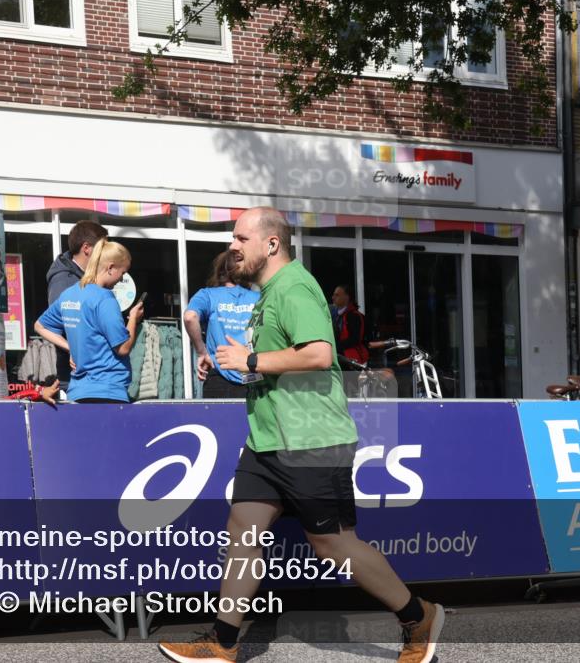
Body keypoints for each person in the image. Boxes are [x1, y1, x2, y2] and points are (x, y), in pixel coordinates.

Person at [158, 208, 444, 663]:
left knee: (333, 545)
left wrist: (250, 362)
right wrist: (242, 361)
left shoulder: (294, 287)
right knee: (243, 531)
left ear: (271, 244)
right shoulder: (269, 292)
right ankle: (223, 642)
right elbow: (279, 357)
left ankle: (417, 616)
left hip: (312, 439)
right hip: (267, 438)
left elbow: (317, 354)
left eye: (240, 238)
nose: (233, 246)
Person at [35, 239, 143, 403]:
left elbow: (40, 326)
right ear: (111, 267)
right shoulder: (104, 298)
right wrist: (133, 318)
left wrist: (72, 347)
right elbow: (123, 347)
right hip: (109, 391)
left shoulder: (69, 294)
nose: (121, 280)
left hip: (78, 391)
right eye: (123, 273)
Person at [184, 250, 260, 398]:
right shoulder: (260, 298)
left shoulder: (208, 295)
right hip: (254, 375)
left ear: (220, 272)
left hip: (219, 377)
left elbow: (190, 317)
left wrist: (202, 352)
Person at [46, 220, 109, 387]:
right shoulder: (64, 280)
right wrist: (72, 348)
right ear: (86, 248)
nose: (106, 254)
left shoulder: (85, 277)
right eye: (103, 248)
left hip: (91, 371)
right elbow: (53, 324)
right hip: (77, 374)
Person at [331, 283, 369, 366]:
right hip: (339, 357)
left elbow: (355, 339)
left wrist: (334, 346)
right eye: (333, 295)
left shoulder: (354, 316)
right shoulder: (335, 315)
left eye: (337, 295)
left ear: (347, 297)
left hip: (351, 360)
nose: (333, 298)